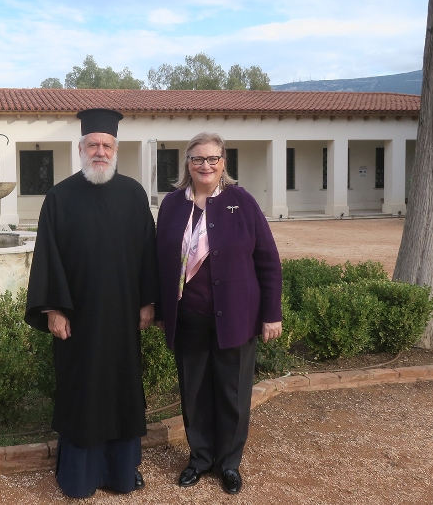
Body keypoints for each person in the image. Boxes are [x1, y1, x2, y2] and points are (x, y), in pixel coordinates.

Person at [25, 108, 158, 499]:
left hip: (121, 317)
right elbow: (47, 256)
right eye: (93, 144)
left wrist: (148, 302)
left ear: (116, 150)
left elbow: (148, 253)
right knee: (82, 393)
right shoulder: (59, 196)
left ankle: (122, 471)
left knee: (121, 390)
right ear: (81, 147)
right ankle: (79, 476)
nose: (100, 151)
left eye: (107, 145)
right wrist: (53, 309)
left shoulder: (134, 194)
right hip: (78, 321)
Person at [155, 132, 282, 495]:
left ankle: (228, 463)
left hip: (237, 318)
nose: (205, 166)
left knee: (233, 392)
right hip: (189, 316)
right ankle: (199, 458)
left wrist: (271, 313)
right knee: (193, 391)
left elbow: (268, 261)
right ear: (187, 164)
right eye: (197, 159)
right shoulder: (173, 205)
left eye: (212, 159)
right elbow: (159, 262)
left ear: (223, 162)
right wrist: (163, 309)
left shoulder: (241, 201)